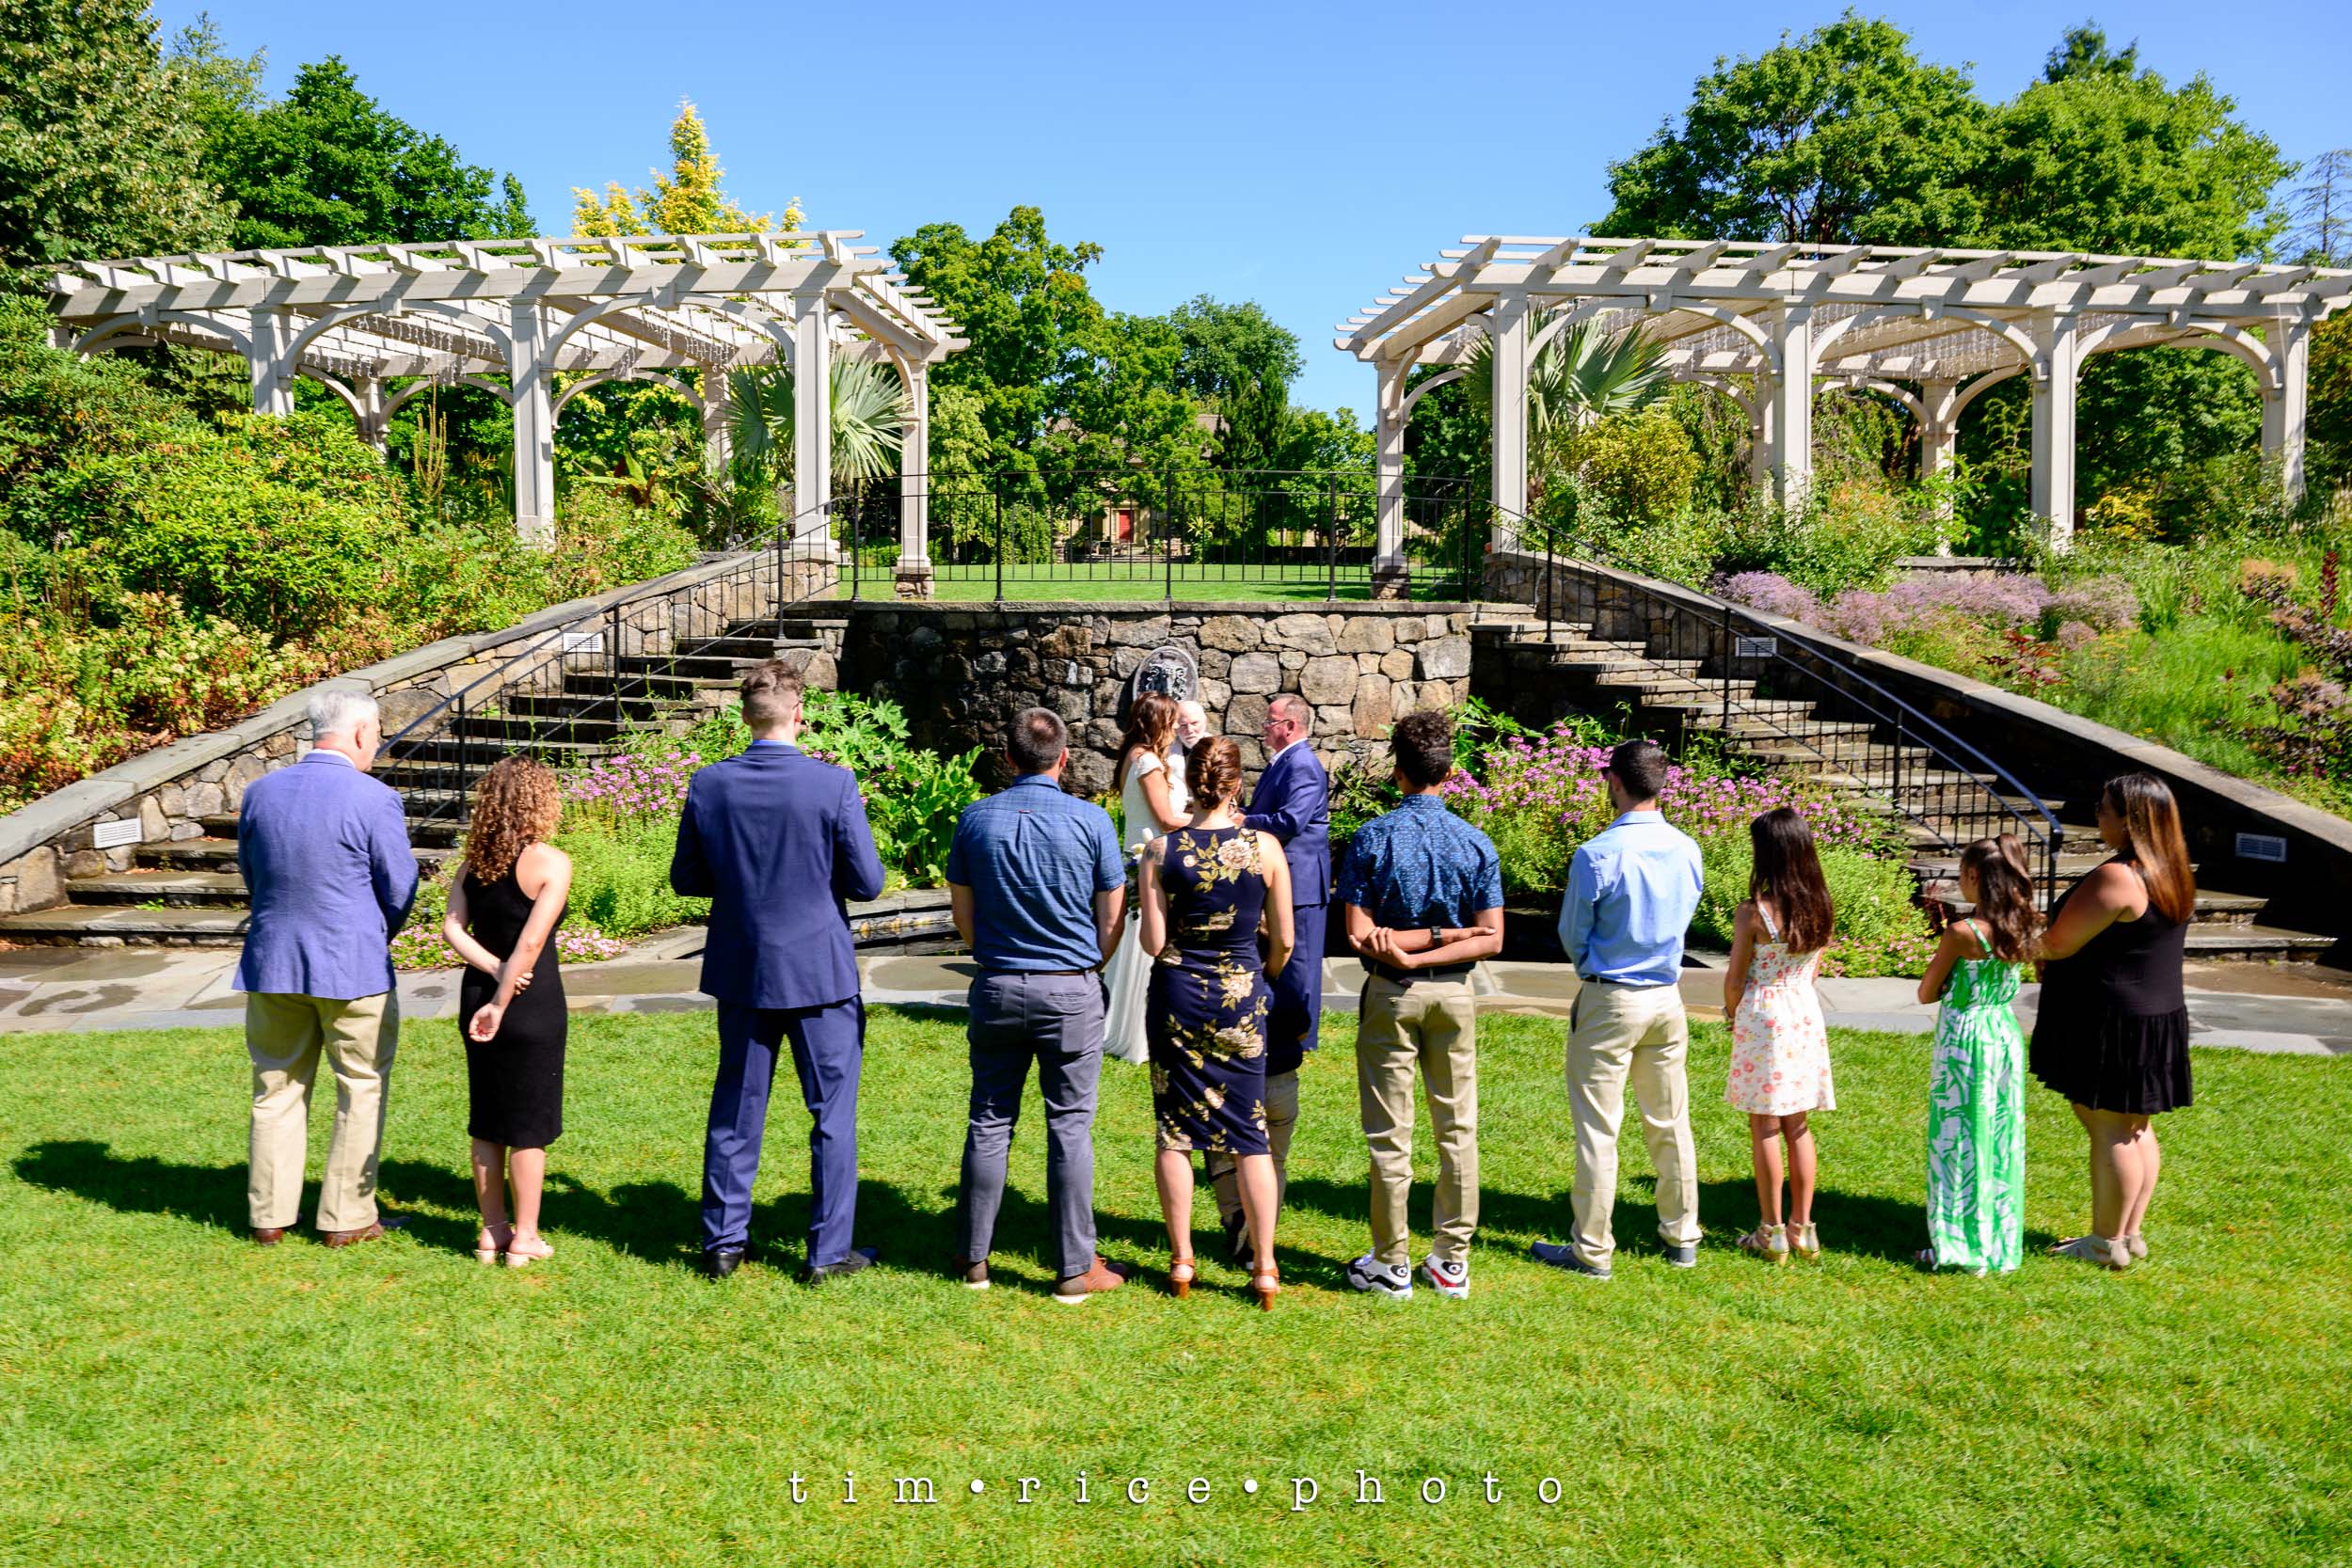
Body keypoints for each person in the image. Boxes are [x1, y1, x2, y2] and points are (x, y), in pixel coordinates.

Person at [670, 661, 887, 1283]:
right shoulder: (833, 784)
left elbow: (686, 878)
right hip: (819, 969)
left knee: (736, 1108)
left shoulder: (710, 784)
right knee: (831, 1115)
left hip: (743, 965)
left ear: (744, 717)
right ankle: (826, 1253)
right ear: (799, 714)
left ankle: (723, 1244)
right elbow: (868, 882)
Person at [946, 707, 1133, 1303]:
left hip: (998, 985)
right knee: (1070, 1127)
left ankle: (974, 1259)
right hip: (1070, 988)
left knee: (989, 1120)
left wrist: (996, 954)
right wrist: (1089, 966)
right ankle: (1075, 1269)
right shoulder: (1092, 821)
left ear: (1008, 758)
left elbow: (963, 916)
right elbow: (1113, 917)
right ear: (1064, 758)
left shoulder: (975, 819)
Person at [233, 689, 420, 1247]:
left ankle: (269, 1216)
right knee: (360, 1086)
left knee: (275, 1087)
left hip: (274, 959)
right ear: (360, 732)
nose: (377, 743)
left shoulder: (260, 792)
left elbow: (253, 873)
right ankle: (346, 1217)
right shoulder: (375, 798)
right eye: (378, 733)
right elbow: (400, 884)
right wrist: (372, 931)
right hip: (352, 965)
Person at [1335, 709, 1505, 1301]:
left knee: (1391, 1134)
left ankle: (1391, 1263)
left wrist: (1406, 954)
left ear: (1398, 771)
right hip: (1455, 995)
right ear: (1449, 772)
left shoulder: (1372, 837)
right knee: (1457, 1129)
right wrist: (1444, 939)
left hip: (1391, 993)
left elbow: (1358, 933)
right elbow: (1492, 937)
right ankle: (1452, 1262)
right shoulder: (1475, 840)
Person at [1531, 738, 1705, 1281]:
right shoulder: (1687, 848)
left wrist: (1594, 969)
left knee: (1599, 1130)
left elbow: (1572, 933)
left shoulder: (1598, 853)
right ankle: (1682, 1236)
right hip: (1667, 997)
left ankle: (1591, 1249)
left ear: (1614, 781)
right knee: (1670, 1121)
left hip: (1611, 996)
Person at [1138, 737, 1295, 1308]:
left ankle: (1182, 1261)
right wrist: (1260, 973)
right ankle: (1265, 1267)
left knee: (1175, 1132)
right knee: (1250, 1135)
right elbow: (1286, 939)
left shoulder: (1160, 852)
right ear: (1236, 785)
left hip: (1178, 995)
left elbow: (1153, 942)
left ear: (1190, 784)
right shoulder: (1265, 848)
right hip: (1242, 995)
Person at [2029, 773, 2196, 1272]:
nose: (2097, 817)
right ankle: (2128, 1234)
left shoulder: (2118, 876)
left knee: (2110, 1129)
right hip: (2155, 1016)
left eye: (2103, 809)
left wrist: (2004, 937)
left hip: (2111, 1020)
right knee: (2134, 1127)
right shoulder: (2171, 870)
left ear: (2129, 820)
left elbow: (2059, 944)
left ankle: (2105, 1242)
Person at [1204, 692, 1329, 1260]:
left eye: (1270, 721)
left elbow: (1290, 822)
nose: (1263, 728)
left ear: (1290, 725)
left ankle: (1293, 1036)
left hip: (1297, 886)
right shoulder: (1285, 762)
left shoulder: (1303, 764)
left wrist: (1240, 821)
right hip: (1283, 880)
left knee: (1294, 972)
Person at [441, 758, 575, 1267]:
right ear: (540, 802)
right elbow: (532, 942)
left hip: (475, 995)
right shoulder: (551, 863)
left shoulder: (473, 865)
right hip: (529, 1003)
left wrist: (493, 972)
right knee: (528, 1123)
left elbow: (453, 929)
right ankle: (526, 1237)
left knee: (487, 1118)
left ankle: (491, 1231)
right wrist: (503, 996)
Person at [1915, 836, 2039, 1275]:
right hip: (2003, 1033)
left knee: (1958, 1137)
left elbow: (1926, 992)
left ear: (1973, 876)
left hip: (1966, 1039)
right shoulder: (2023, 926)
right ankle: (1998, 1236)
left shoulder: (1963, 933)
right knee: (1999, 1134)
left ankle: (1958, 1240)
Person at [1722, 808, 1836, 1264]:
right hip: (1803, 1013)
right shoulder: (1821, 906)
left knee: (1765, 1123)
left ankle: (1770, 1231)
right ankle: (1803, 1229)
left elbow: (1735, 978)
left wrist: (1732, 1014)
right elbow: (1813, 970)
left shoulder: (1754, 913)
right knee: (1798, 1123)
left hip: (1764, 1015)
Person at [1103, 693, 1189, 1066]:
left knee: (1134, 945)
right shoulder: (1149, 761)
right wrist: (1212, 821)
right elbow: (1166, 820)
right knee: (1147, 945)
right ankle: (1140, 1033)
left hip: (1135, 855)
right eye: (1171, 722)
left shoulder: (1132, 756)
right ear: (1158, 723)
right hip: (1149, 860)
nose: (1175, 729)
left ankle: (1123, 1024)